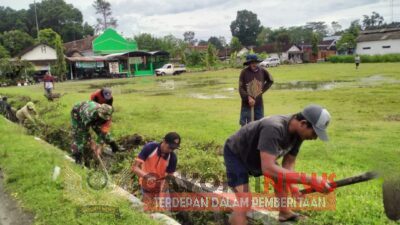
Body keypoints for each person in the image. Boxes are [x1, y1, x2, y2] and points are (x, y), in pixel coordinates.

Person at [224, 104, 333, 224]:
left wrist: (293, 187)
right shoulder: (274, 128)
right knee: (245, 202)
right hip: (237, 154)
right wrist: (310, 180)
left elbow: (288, 163)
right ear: (303, 123)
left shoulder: (298, 134)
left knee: (282, 179)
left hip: (260, 156)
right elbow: (268, 168)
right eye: (314, 133)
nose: (315, 137)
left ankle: (284, 213)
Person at [132, 132, 180, 200]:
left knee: (163, 208)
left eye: (173, 149)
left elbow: (167, 179)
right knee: (149, 207)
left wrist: (161, 196)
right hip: (146, 185)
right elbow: (135, 168)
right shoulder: (150, 148)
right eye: (169, 147)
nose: (170, 150)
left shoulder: (172, 158)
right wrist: (148, 177)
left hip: (161, 187)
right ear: (164, 141)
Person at [70, 100, 120, 167]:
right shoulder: (89, 113)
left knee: (99, 130)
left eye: (105, 118)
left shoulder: (107, 115)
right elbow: (85, 131)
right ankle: (78, 157)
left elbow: (104, 131)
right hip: (78, 113)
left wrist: (99, 145)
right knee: (79, 134)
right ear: (99, 112)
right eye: (102, 117)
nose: (104, 119)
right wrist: (91, 142)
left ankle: (114, 146)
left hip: (93, 116)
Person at [239, 54, 274, 126]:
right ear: (248, 63)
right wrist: (248, 97)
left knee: (259, 124)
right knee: (246, 126)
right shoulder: (244, 72)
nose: (254, 64)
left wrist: (261, 90)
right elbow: (241, 88)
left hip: (259, 103)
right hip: (246, 104)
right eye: (252, 63)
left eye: (255, 62)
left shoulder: (263, 71)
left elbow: (270, 81)